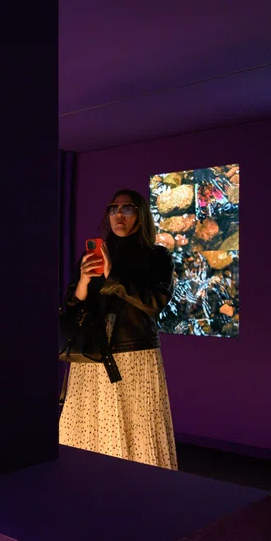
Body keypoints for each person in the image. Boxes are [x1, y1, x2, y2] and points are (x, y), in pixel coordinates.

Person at [59, 188, 178, 470]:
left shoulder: (157, 256)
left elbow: (156, 302)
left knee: (138, 430)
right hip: (92, 355)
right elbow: (71, 305)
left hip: (134, 355)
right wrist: (84, 281)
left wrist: (113, 276)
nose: (118, 215)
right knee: (90, 430)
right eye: (113, 209)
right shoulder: (94, 254)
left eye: (127, 208)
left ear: (141, 215)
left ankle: (138, 489)